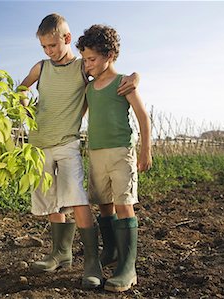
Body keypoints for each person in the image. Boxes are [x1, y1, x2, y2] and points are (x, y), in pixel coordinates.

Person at [19, 13, 139, 289]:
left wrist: (135, 76)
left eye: (53, 46)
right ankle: (60, 253)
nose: (49, 51)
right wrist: (23, 100)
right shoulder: (41, 67)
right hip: (38, 145)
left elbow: (107, 72)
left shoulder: (81, 68)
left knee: (76, 198)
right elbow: (21, 88)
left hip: (67, 142)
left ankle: (92, 263)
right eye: (44, 47)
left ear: (67, 39)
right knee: (50, 200)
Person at [76, 24, 152, 292]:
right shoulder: (89, 89)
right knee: (103, 204)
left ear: (109, 55)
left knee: (123, 204)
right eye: (84, 60)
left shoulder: (124, 83)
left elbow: (143, 117)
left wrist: (145, 150)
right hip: (96, 153)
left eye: (92, 59)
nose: (87, 65)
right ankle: (111, 252)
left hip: (121, 152)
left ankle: (128, 268)